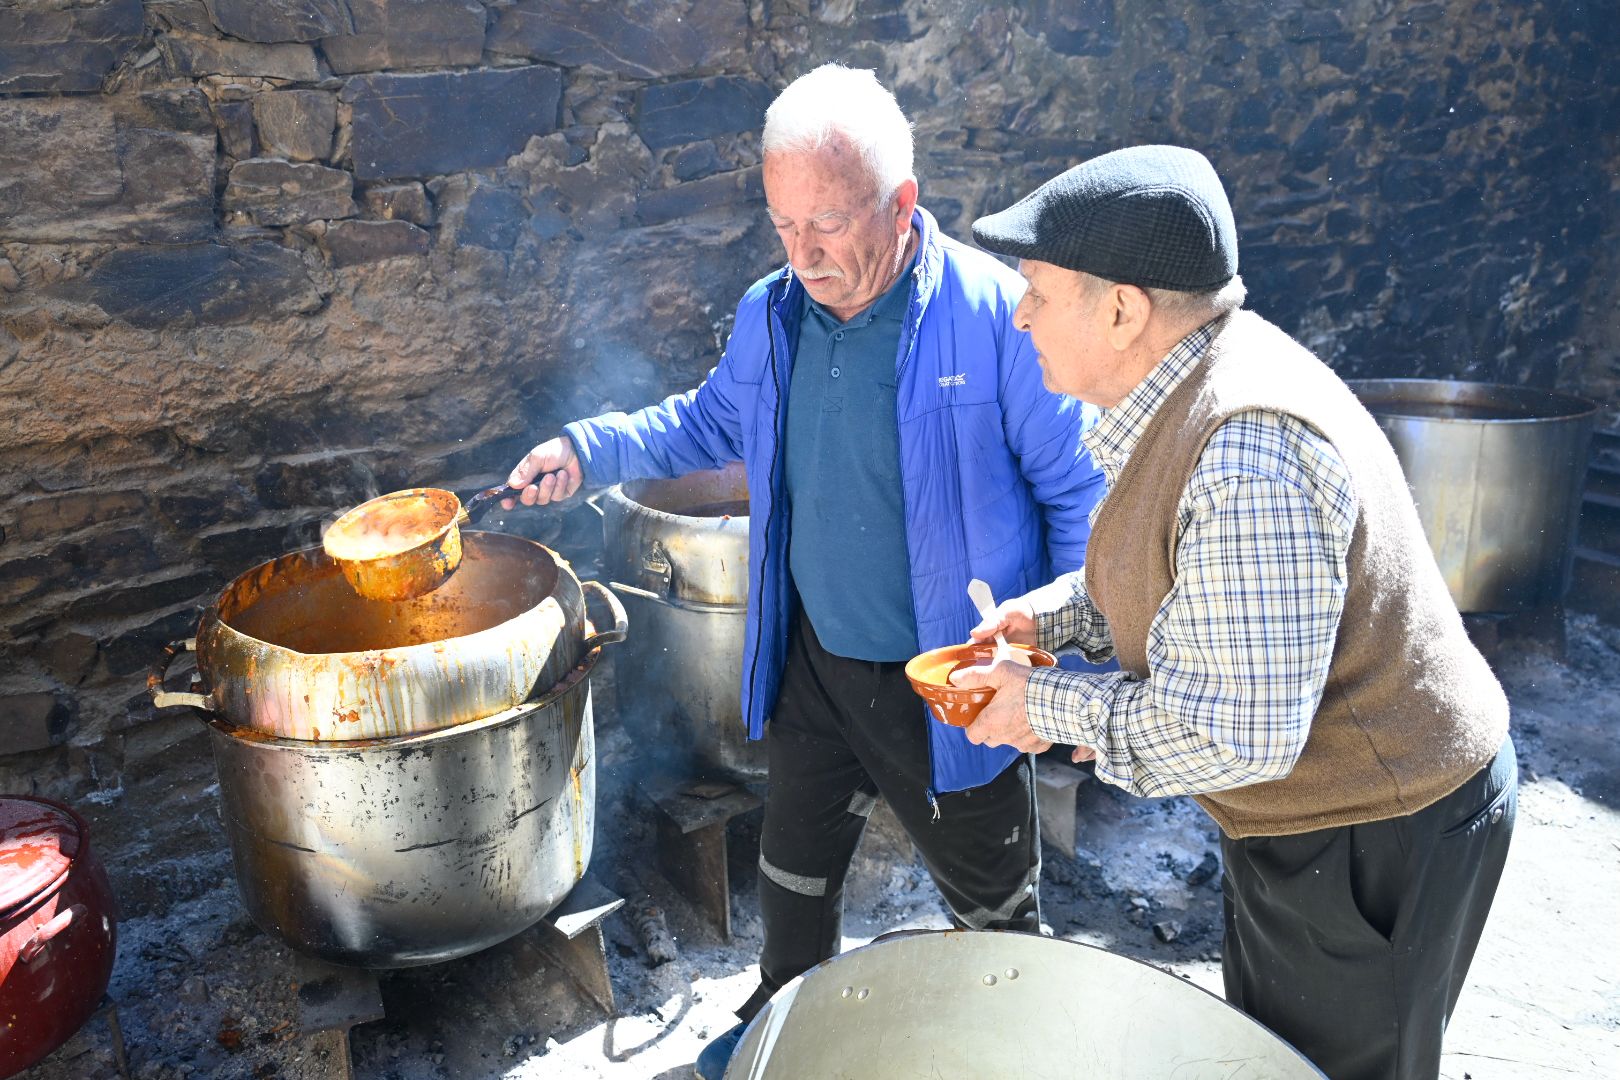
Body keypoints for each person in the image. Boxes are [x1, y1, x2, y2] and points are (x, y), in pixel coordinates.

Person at [502, 64, 1107, 1079]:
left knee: (995, 909)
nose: (802, 254)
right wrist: (589, 447)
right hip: (817, 664)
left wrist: (1076, 683)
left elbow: (1083, 499)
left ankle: (1021, 1042)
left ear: (903, 203)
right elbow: (700, 422)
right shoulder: (771, 314)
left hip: (950, 685)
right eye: (782, 225)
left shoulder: (1000, 319)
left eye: (825, 223)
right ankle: (782, 1023)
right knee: (793, 876)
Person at [954, 143, 1516, 1080]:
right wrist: (1048, 622)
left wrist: (1037, 708)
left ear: (1124, 308)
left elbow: (1239, 731)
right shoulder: (1181, 387)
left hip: (1379, 822)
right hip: (1318, 816)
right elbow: (1178, 574)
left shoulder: (1245, 452)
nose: (1019, 314)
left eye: (1039, 292)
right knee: (1272, 1058)